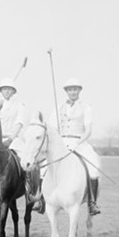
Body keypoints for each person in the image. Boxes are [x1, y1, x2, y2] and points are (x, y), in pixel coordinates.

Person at [44, 77, 101, 216]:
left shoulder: (86, 107)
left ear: (79, 90)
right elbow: (51, 128)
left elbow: (88, 131)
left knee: (93, 168)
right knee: (43, 167)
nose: (72, 92)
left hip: (79, 142)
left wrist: (77, 143)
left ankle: (92, 202)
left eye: (75, 89)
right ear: (66, 92)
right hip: (61, 143)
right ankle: (40, 199)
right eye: (70, 90)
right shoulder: (58, 108)